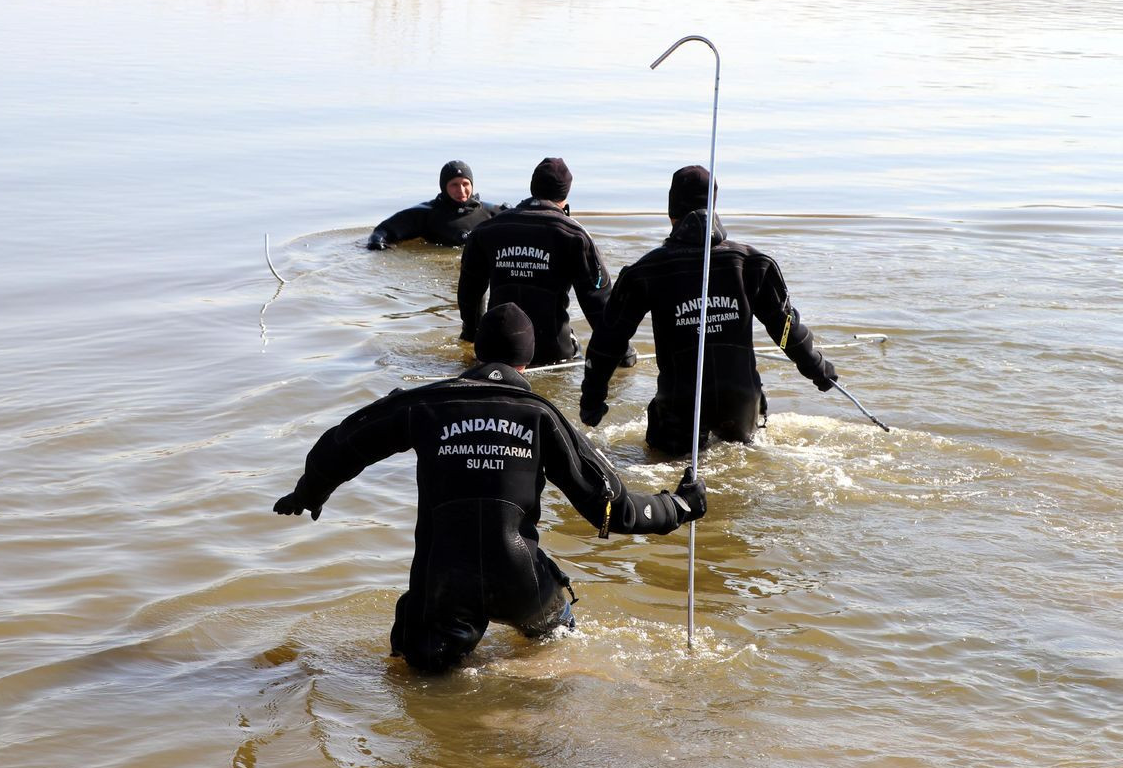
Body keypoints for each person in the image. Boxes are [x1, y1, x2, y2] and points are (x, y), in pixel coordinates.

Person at [273, 303, 706, 673]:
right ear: (528, 361)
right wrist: (680, 506)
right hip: (520, 577)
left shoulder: (427, 403)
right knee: (554, 642)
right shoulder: (542, 415)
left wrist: (310, 492)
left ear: (476, 351)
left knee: (418, 679)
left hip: (444, 579)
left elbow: (347, 442)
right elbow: (613, 510)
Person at [578, 165, 838, 450]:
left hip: (679, 403)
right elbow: (785, 329)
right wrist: (818, 368)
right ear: (714, 206)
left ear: (670, 212)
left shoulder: (647, 271)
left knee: (667, 479)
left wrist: (592, 397)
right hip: (742, 401)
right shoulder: (753, 263)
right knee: (739, 470)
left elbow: (609, 339)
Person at [457, 157, 634, 367]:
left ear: (533, 187)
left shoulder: (486, 230)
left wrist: (471, 337)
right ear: (565, 193)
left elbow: (470, 293)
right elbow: (598, 302)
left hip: (494, 349)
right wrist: (623, 352)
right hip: (552, 354)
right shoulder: (575, 236)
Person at [367, 160, 505, 249]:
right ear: (443, 187)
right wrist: (377, 242)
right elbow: (384, 231)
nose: (461, 190)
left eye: (465, 184)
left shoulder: (490, 211)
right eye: (454, 185)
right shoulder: (426, 213)